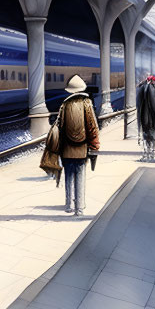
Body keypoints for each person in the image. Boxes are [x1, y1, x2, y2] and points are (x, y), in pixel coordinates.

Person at [56, 74, 100, 215]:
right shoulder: (86, 103)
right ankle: (79, 208)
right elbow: (92, 126)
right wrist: (94, 146)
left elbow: (59, 127)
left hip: (66, 149)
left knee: (68, 175)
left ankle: (69, 204)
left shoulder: (65, 104)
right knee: (80, 175)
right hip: (81, 148)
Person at [135, 75, 155, 161]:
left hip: (143, 117)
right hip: (152, 118)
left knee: (145, 135)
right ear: (152, 81)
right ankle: (151, 152)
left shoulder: (141, 89)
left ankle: (145, 152)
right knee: (152, 136)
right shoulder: (152, 90)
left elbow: (138, 104)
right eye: (154, 81)